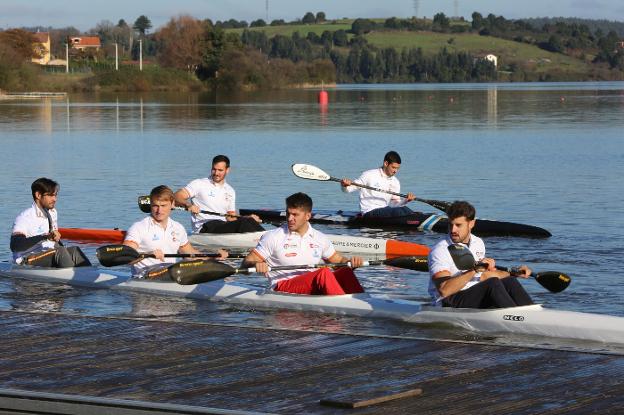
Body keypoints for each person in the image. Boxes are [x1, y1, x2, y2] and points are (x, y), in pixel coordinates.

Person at [241, 192, 365, 295]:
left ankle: (363, 301)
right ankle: (344, 305)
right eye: (288, 213)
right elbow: (245, 264)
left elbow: (339, 262)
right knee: (324, 272)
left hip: (311, 286)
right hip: (282, 288)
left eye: (295, 215)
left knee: (345, 272)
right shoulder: (273, 237)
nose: (290, 218)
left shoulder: (320, 238)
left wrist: (351, 263)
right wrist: (257, 264)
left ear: (307, 216)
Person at [427, 200, 534, 309]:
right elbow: (444, 290)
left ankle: (532, 314)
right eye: (451, 224)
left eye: (458, 225)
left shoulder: (478, 242)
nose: (453, 230)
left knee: (510, 281)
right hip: (448, 301)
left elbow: (482, 276)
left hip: (473, 294)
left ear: (471, 224)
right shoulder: (440, 250)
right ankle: (516, 318)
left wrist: (514, 273)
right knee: (492, 284)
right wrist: (475, 269)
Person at [123, 185, 227, 278]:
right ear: (151, 205)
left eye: (163, 206)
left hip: (174, 273)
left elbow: (191, 254)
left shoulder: (178, 228)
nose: (159, 211)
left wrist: (213, 257)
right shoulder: (139, 228)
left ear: (172, 204)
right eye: (155, 206)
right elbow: (125, 257)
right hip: (147, 276)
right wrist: (147, 254)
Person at [11, 177, 91, 268]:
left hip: (48, 254)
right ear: (38, 195)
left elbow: (54, 242)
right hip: (25, 260)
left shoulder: (52, 213)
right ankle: (71, 279)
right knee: (60, 252)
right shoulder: (24, 218)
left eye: (55, 195)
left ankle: (91, 275)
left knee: (74, 251)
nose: (55, 199)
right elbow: (15, 245)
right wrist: (45, 237)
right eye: (50, 195)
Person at [174, 154, 264, 234]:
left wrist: (248, 218)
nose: (216, 173)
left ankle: (267, 238)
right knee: (244, 223)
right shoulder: (199, 184)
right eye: (214, 169)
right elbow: (177, 196)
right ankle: (266, 241)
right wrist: (188, 205)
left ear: (227, 170)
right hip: (204, 227)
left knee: (248, 221)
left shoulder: (230, 191)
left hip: (222, 225)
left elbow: (231, 217)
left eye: (220, 170)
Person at [340, 150, 416, 218]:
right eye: (393, 167)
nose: (395, 171)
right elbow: (348, 190)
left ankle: (416, 218)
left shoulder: (395, 182)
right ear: (386, 163)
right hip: (369, 211)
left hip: (385, 211)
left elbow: (394, 205)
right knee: (401, 211)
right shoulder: (369, 175)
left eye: (397, 168)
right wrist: (344, 185)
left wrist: (405, 200)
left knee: (404, 209)